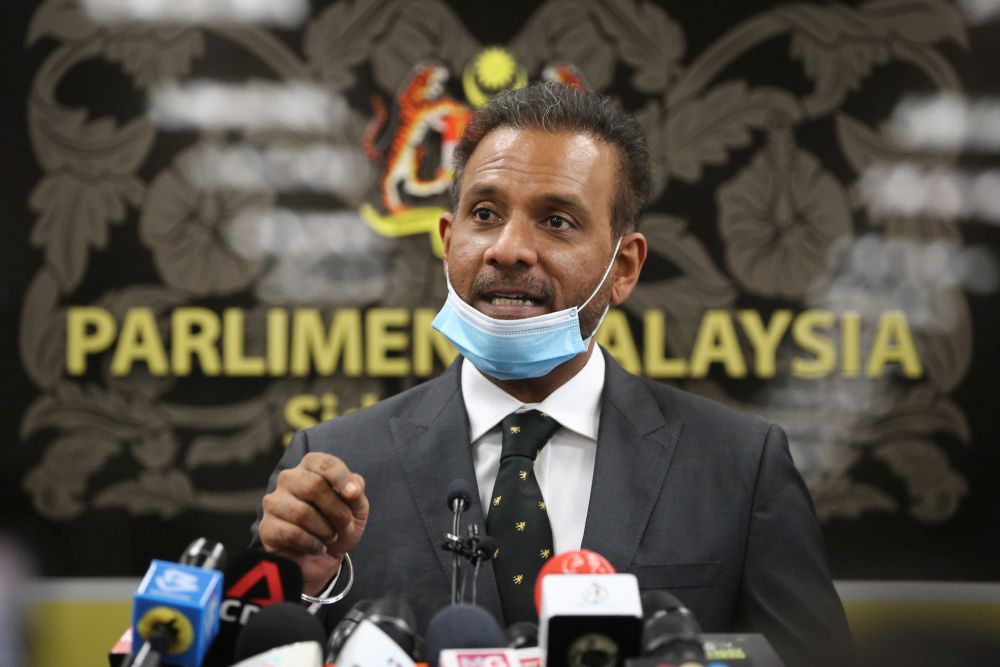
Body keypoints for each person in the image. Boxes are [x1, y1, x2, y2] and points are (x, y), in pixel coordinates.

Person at [253, 82, 852, 666]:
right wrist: (308, 584)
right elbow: (258, 646)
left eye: (557, 221)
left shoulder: (740, 467)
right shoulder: (332, 467)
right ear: (447, 239)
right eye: (484, 213)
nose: (509, 249)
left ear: (624, 267)